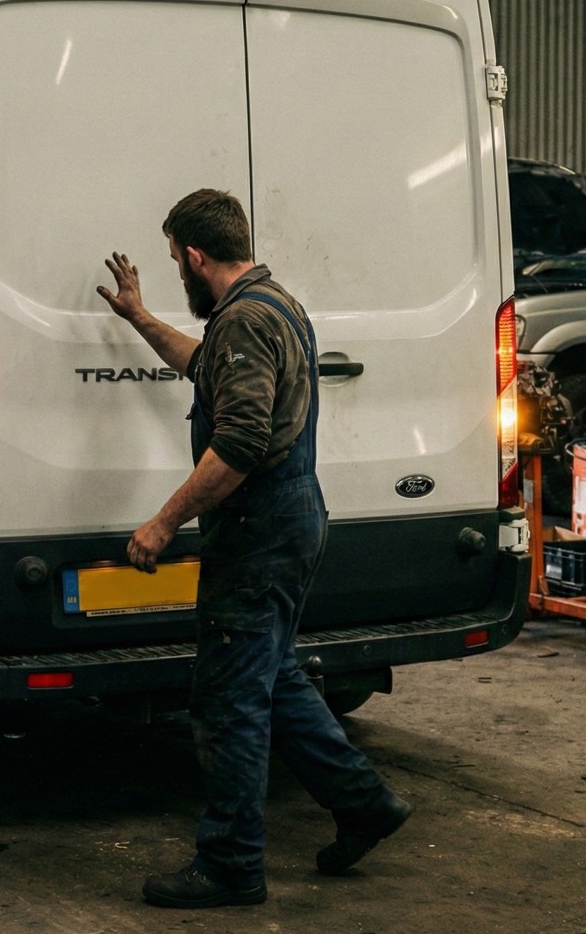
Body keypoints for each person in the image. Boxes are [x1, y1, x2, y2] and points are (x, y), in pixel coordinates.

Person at [97, 189, 410, 909]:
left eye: (176, 258)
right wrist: (140, 317)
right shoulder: (271, 305)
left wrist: (161, 522)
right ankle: (363, 803)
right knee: (271, 675)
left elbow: (237, 443)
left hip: (258, 526)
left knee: (227, 701)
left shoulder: (243, 322)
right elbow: (203, 364)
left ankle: (232, 863)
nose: (176, 268)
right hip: (289, 516)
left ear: (195, 255)